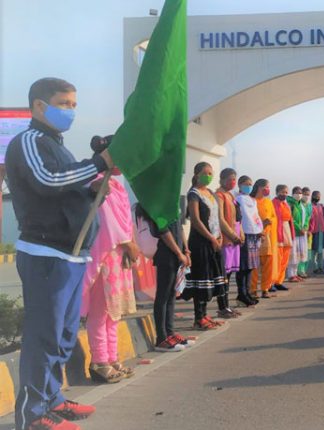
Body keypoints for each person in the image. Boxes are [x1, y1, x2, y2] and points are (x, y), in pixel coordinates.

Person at [6, 77, 113, 429]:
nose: (71, 111)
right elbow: (48, 180)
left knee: (63, 335)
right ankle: (32, 415)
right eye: (64, 104)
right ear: (39, 106)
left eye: (74, 105)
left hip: (71, 255)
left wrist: (91, 189)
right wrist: (98, 163)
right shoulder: (29, 141)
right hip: (45, 253)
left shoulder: (56, 145)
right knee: (44, 336)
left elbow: (66, 186)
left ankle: (52, 399)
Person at [80, 139, 138, 384]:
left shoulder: (117, 185)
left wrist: (129, 245)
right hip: (104, 256)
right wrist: (128, 244)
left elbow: (124, 220)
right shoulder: (96, 182)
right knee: (100, 311)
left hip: (118, 257)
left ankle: (113, 358)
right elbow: (106, 222)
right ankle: (99, 361)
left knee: (114, 312)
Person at [183, 162, 234, 331]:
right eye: (205, 173)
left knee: (211, 278)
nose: (208, 176)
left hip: (215, 241)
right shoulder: (193, 194)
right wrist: (211, 238)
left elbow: (218, 218)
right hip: (200, 242)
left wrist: (220, 236)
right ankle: (198, 318)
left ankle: (205, 315)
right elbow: (196, 220)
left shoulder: (211, 193)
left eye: (211, 173)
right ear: (196, 175)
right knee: (201, 278)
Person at [138, 203, 193, 353]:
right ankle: (161, 338)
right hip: (166, 254)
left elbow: (180, 227)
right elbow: (163, 231)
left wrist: (186, 250)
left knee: (171, 295)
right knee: (163, 295)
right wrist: (179, 253)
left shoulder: (172, 202)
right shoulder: (160, 204)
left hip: (177, 254)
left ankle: (170, 333)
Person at [215, 168, 247, 306]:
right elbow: (220, 219)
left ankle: (226, 305)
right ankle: (223, 306)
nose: (233, 182)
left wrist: (241, 233)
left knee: (229, 274)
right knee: (224, 274)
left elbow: (237, 218)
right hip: (227, 239)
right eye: (230, 179)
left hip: (235, 239)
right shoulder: (219, 195)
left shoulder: (230, 195)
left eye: (234, 179)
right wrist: (233, 235)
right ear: (222, 180)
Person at [249, 179, 278, 299]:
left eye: (268, 187)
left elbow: (274, 217)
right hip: (254, 236)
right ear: (259, 187)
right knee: (254, 265)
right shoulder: (251, 201)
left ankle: (265, 289)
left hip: (266, 237)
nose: (268, 189)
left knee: (268, 263)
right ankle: (253, 290)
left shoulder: (268, 202)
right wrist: (261, 224)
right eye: (266, 187)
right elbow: (249, 218)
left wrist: (269, 222)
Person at [235, 175, 262, 306]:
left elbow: (255, 216)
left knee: (250, 267)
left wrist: (260, 228)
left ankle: (247, 292)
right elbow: (240, 217)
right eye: (246, 184)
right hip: (244, 234)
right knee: (243, 267)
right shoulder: (238, 199)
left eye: (250, 184)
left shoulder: (252, 200)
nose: (249, 186)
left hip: (254, 234)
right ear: (240, 185)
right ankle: (241, 294)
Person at [272, 184, 294, 291]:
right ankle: (271, 282)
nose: (284, 194)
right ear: (277, 192)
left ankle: (279, 282)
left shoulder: (286, 204)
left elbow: (290, 219)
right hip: (277, 233)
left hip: (287, 232)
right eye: (282, 192)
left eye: (286, 192)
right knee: (277, 259)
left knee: (284, 260)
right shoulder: (273, 203)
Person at [286, 186, 307, 283]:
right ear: (293, 193)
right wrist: (299, 228)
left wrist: (305, 227)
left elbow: (306, 218)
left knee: (298, 255)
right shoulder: (290, 204)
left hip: (302, 234)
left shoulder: (301, 205)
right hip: (293, 233)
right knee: (293, 255)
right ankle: (290, 275)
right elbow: (291, 219)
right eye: (297, 193)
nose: (299, 195)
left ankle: (295, 274)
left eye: (300, 193)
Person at [308, 190, 324, 275]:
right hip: (313, 231)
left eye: (319, 196)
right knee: (313, 250)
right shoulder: (309, 206)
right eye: (316, 196)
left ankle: (320, 267)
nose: (317, 198)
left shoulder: (321, 207)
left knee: (320, 251)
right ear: (312, 196)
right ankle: (315, 267)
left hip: (321, 230)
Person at [298, 187, 313, 278]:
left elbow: (310, 219)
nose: (306, 196)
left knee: (308, 253)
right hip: (300, 232)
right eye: (305, 194)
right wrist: (302, 229)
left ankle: (304, 270)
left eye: (308, 195)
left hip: (308, 232)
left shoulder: (309, 206)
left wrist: (309, 230)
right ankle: (300, 271)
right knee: (300, 252)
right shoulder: (298, 205)